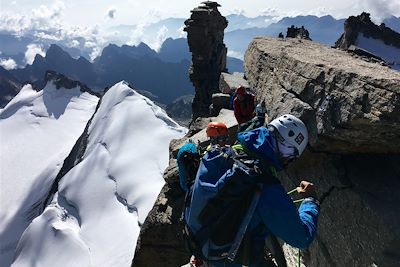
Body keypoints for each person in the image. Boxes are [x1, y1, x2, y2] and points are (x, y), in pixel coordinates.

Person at [185, 114, 320, 267]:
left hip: (202, 242)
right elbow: (300, 237)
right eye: (287, 151)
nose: (286, 157)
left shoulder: (230, 151)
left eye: (289, 153)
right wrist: (310, 201)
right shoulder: (265, 185)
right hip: (230, 260)